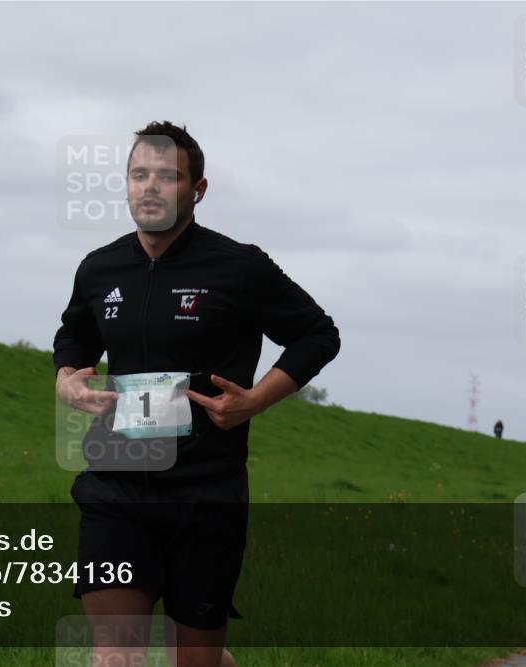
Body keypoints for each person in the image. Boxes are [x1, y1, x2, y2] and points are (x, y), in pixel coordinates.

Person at [53, 121, 341, 667]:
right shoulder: (99, 268)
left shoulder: (238, 266)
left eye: (168, 176)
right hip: (116, 485)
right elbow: (75, 335)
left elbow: (318, 334)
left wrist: (256, 400)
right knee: (115, 656)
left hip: (206, 493)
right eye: (139, 174)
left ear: (198, 189)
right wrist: (67, 379)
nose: (150, 187)